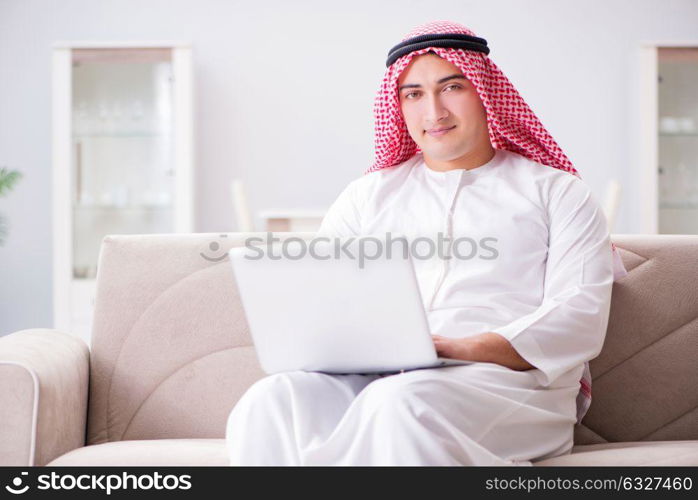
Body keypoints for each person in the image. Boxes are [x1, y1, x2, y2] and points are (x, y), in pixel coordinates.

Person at [225, 20, 627, 466]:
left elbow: (579, 314)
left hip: (510, 385)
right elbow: (325, 304)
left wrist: (463, 346)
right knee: (270, 401)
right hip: (380, 376)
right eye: (413, 94)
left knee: (401, 403)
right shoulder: (367, 196)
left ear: (484, 92)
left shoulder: (558, 192)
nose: (433, 111)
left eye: (451, 87)